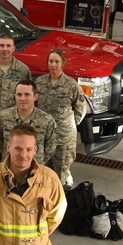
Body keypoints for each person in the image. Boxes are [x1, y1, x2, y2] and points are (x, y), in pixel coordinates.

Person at [34, 49, 86, 189]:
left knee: (61, 174)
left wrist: (68, 125)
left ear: (63, 63)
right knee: (42, 173)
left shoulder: (71, 85)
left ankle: (60, 204)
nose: (53, 65)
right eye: (51, 61)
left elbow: (80, 109)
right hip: (43, 137)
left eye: (57, 61)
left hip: (63, 139)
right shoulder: (39, 83)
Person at [0, 80, 58, 168]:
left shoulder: (47, 121)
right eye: (19, 95)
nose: (22, 98)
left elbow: (50, 148)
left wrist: (36, 160)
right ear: (14, 96)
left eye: (27, 94)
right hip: (8, 168)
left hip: (34, 169)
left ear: (35, 97)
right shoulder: (2, 117)